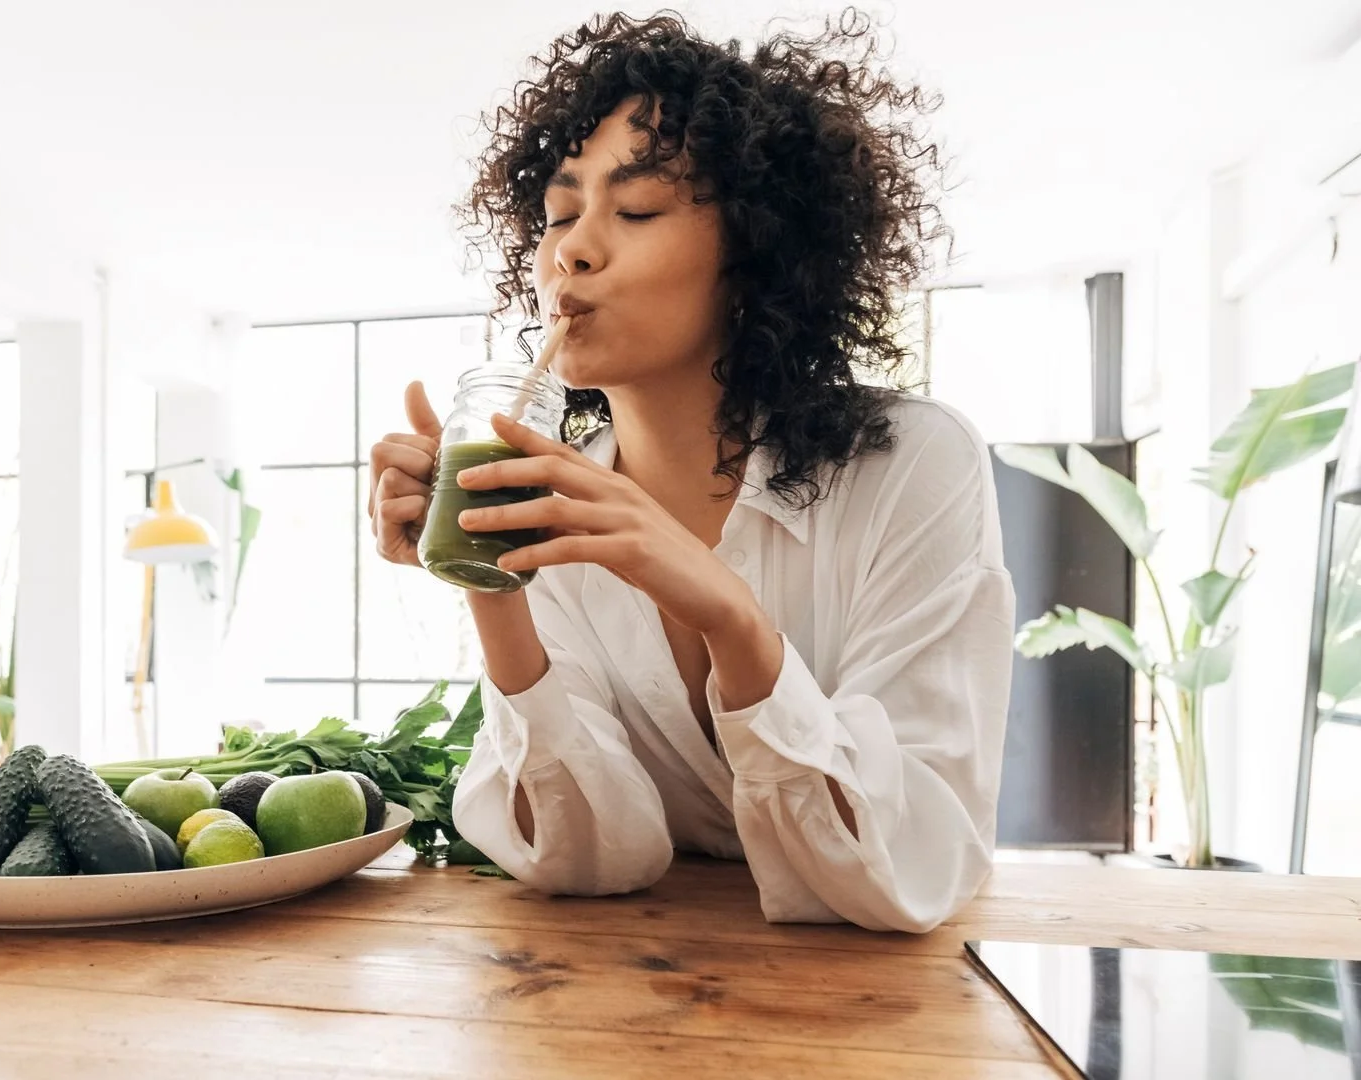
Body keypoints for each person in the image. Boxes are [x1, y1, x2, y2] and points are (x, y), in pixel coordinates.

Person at [366, 11, 1014, 932]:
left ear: (754, 251)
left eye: (635, 210)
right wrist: (488, 572)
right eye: (559, 213)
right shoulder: (549, 494)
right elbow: (586, 860)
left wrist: (731, 618)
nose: (572, 250)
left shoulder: (912, 465)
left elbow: (914, 867)